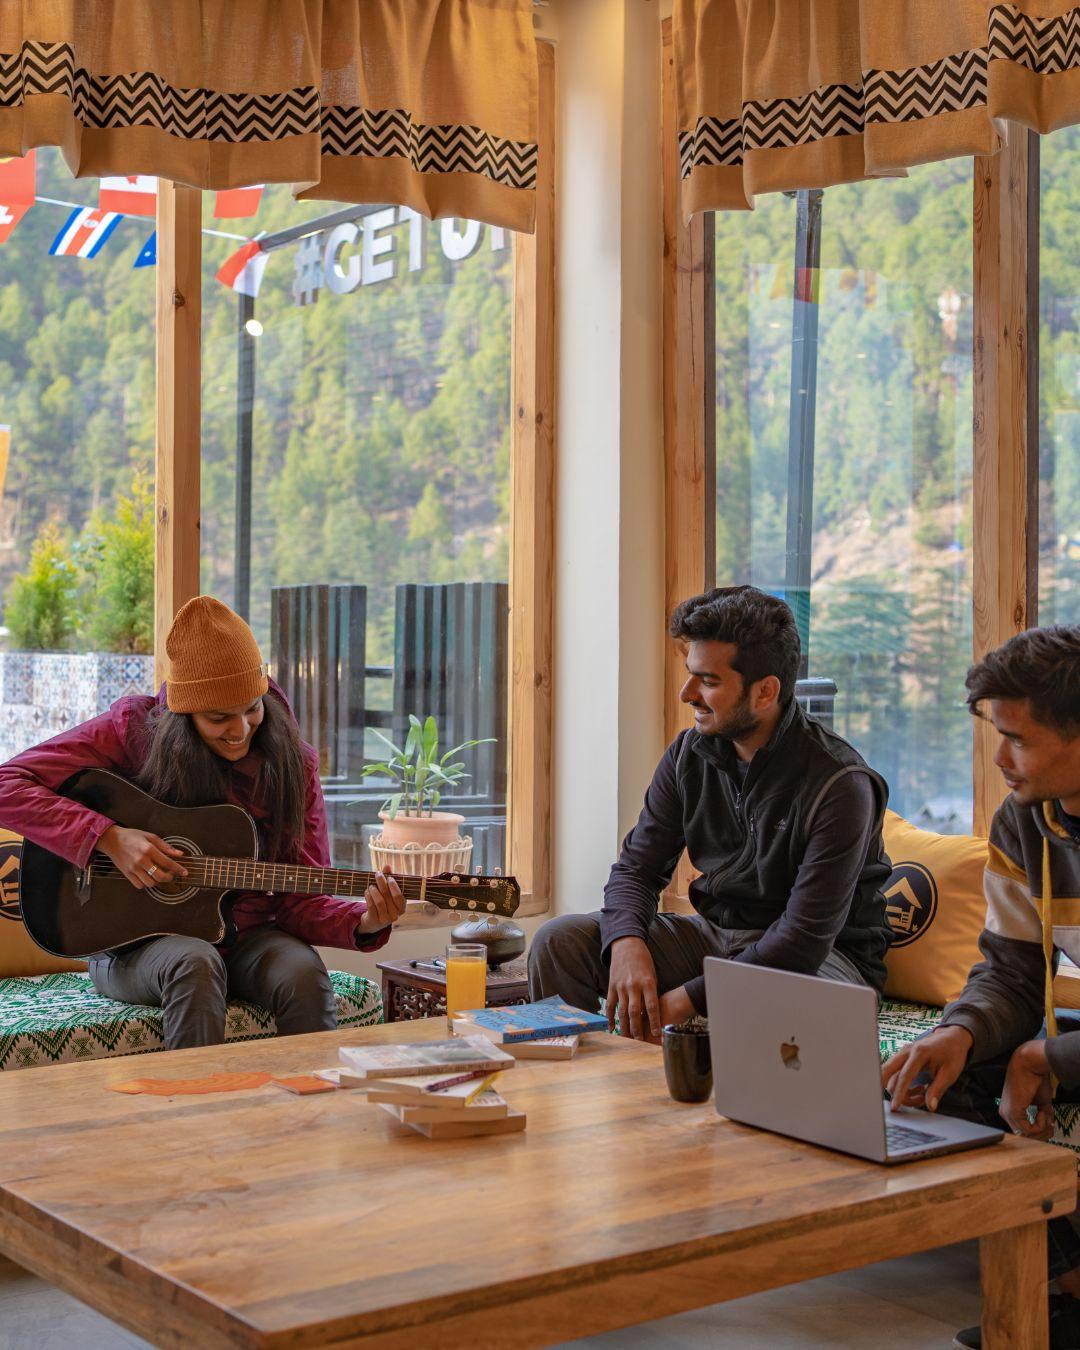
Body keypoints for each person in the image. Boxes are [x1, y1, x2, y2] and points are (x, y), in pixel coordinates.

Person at [0, 595, 406, 1049]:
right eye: (218, 717)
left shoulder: (294, 765)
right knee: (194, 963)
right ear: (184, 714)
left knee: (302, 973)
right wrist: (108, 838)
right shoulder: (133, 730)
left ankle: (307, 1111)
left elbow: (300, 897)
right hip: (135, 946)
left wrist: (367, 920)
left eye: (253, 708)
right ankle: (192, 1116)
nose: (241, 729)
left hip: (247, 940)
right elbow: (7, 783)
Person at [528, 585, 893, 1038]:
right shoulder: (689, 755)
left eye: (709, 680)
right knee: (559, 942)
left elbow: (802, 941)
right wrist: (626, 943)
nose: (687, 693)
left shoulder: (840, 784)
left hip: (821, 965)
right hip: (715, 937)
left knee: (785, 999)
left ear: (765, 692)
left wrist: (687, 999)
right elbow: (636, 871)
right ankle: (584, 1096)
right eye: (690, 674)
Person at [882, 625, 1080, 1350]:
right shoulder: (1024, 822)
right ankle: (1062, 1287)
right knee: (941, 1079)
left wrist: (1046, 1060)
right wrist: (956, 1031)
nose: (999, 759)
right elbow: (1010, 969)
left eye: (1017, 739)